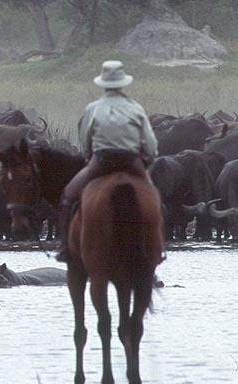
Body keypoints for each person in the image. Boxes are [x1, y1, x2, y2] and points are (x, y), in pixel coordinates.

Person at [57, 60, 158, 263]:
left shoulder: (93, 108)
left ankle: (65, 248)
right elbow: (150, 144)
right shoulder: (136, 108)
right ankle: (157, 249)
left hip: (101, 161)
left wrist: (88, 158)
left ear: (103, 84)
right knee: (154, 199)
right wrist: (147, 159)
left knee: (67, 197)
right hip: (132, 161)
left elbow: (85, 140)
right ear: (123, 84)